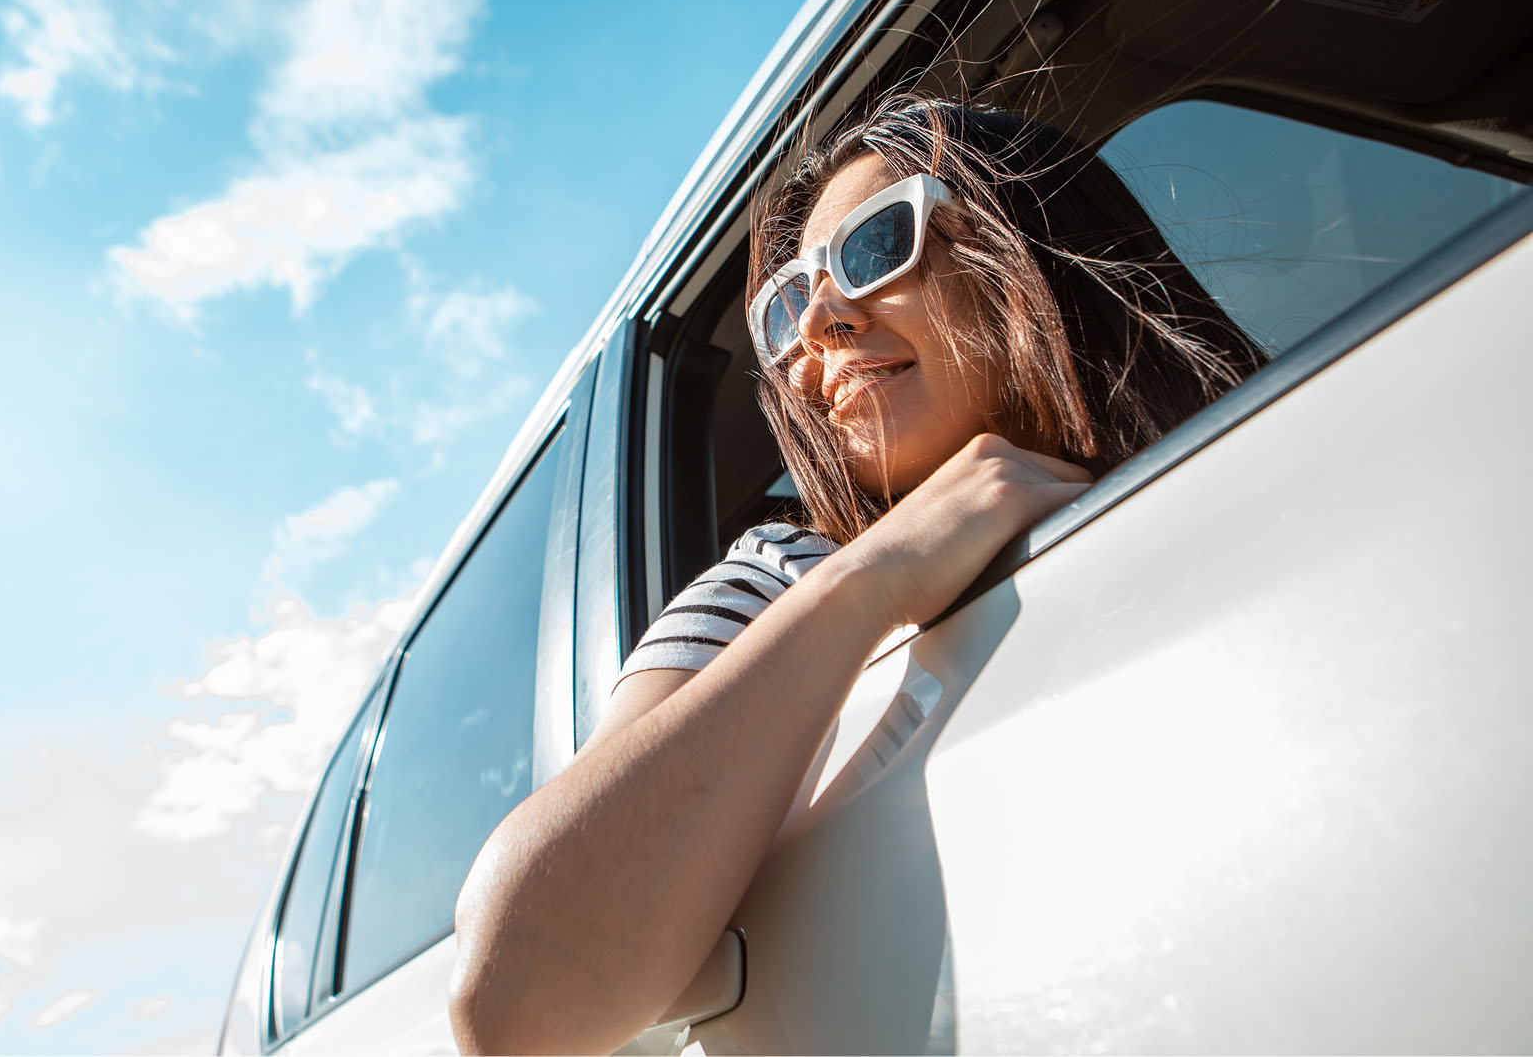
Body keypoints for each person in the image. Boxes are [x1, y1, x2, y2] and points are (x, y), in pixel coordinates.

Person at [447, 96, 1267, 1055]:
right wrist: (871, 577)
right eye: (789, 305)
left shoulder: (1261, 442)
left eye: (878, 247)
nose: (816, 332)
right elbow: (512, 1008)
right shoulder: (773, 581)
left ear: (1022, 253)